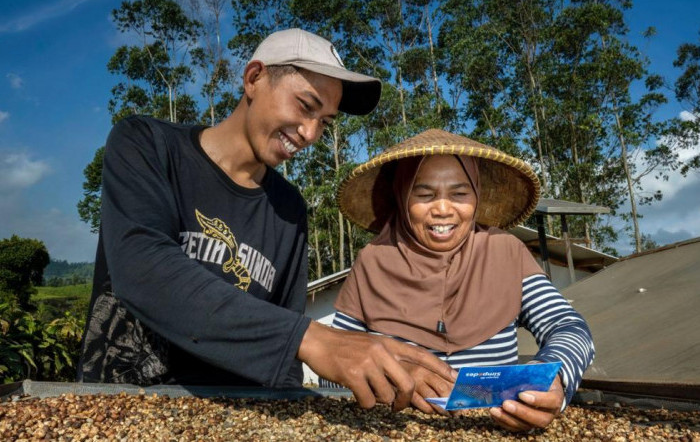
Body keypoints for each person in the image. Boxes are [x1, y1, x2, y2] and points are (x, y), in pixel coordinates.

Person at [77, 28, 456, 410]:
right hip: (120, 406)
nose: (310, 133)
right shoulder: (147, 145)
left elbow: (282, 346)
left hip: (227, 417)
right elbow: (143, 269)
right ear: (254, 78)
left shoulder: (289, 211)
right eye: (305, 106)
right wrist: (312, 339)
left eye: (324, 121)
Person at [325, 128, 595, 431]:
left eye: (459, 194)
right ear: (402, 196)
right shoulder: (372, 261)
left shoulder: (505, 252)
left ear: (476, 196)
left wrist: (552, 379)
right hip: (392, 429)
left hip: (496, 428)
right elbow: (334, 364)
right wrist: (391, 374)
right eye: (424, 194)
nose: (442, 209)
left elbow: (569, 327)